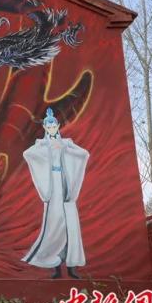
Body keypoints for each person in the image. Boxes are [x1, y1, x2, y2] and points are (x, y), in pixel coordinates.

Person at [22, 108, 90, 279]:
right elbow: (28, 153)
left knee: (70, 228)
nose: (51, 128)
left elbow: (84, 154)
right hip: (52, 189)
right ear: (45, 127)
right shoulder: (41, 144)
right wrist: (45, 152)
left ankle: (72, 267)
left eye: (54, 126)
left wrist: (66, 150)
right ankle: (56, 267)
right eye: (49, 126)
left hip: (66, 189)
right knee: (54, 228)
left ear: (58, 126)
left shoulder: (66, 143)